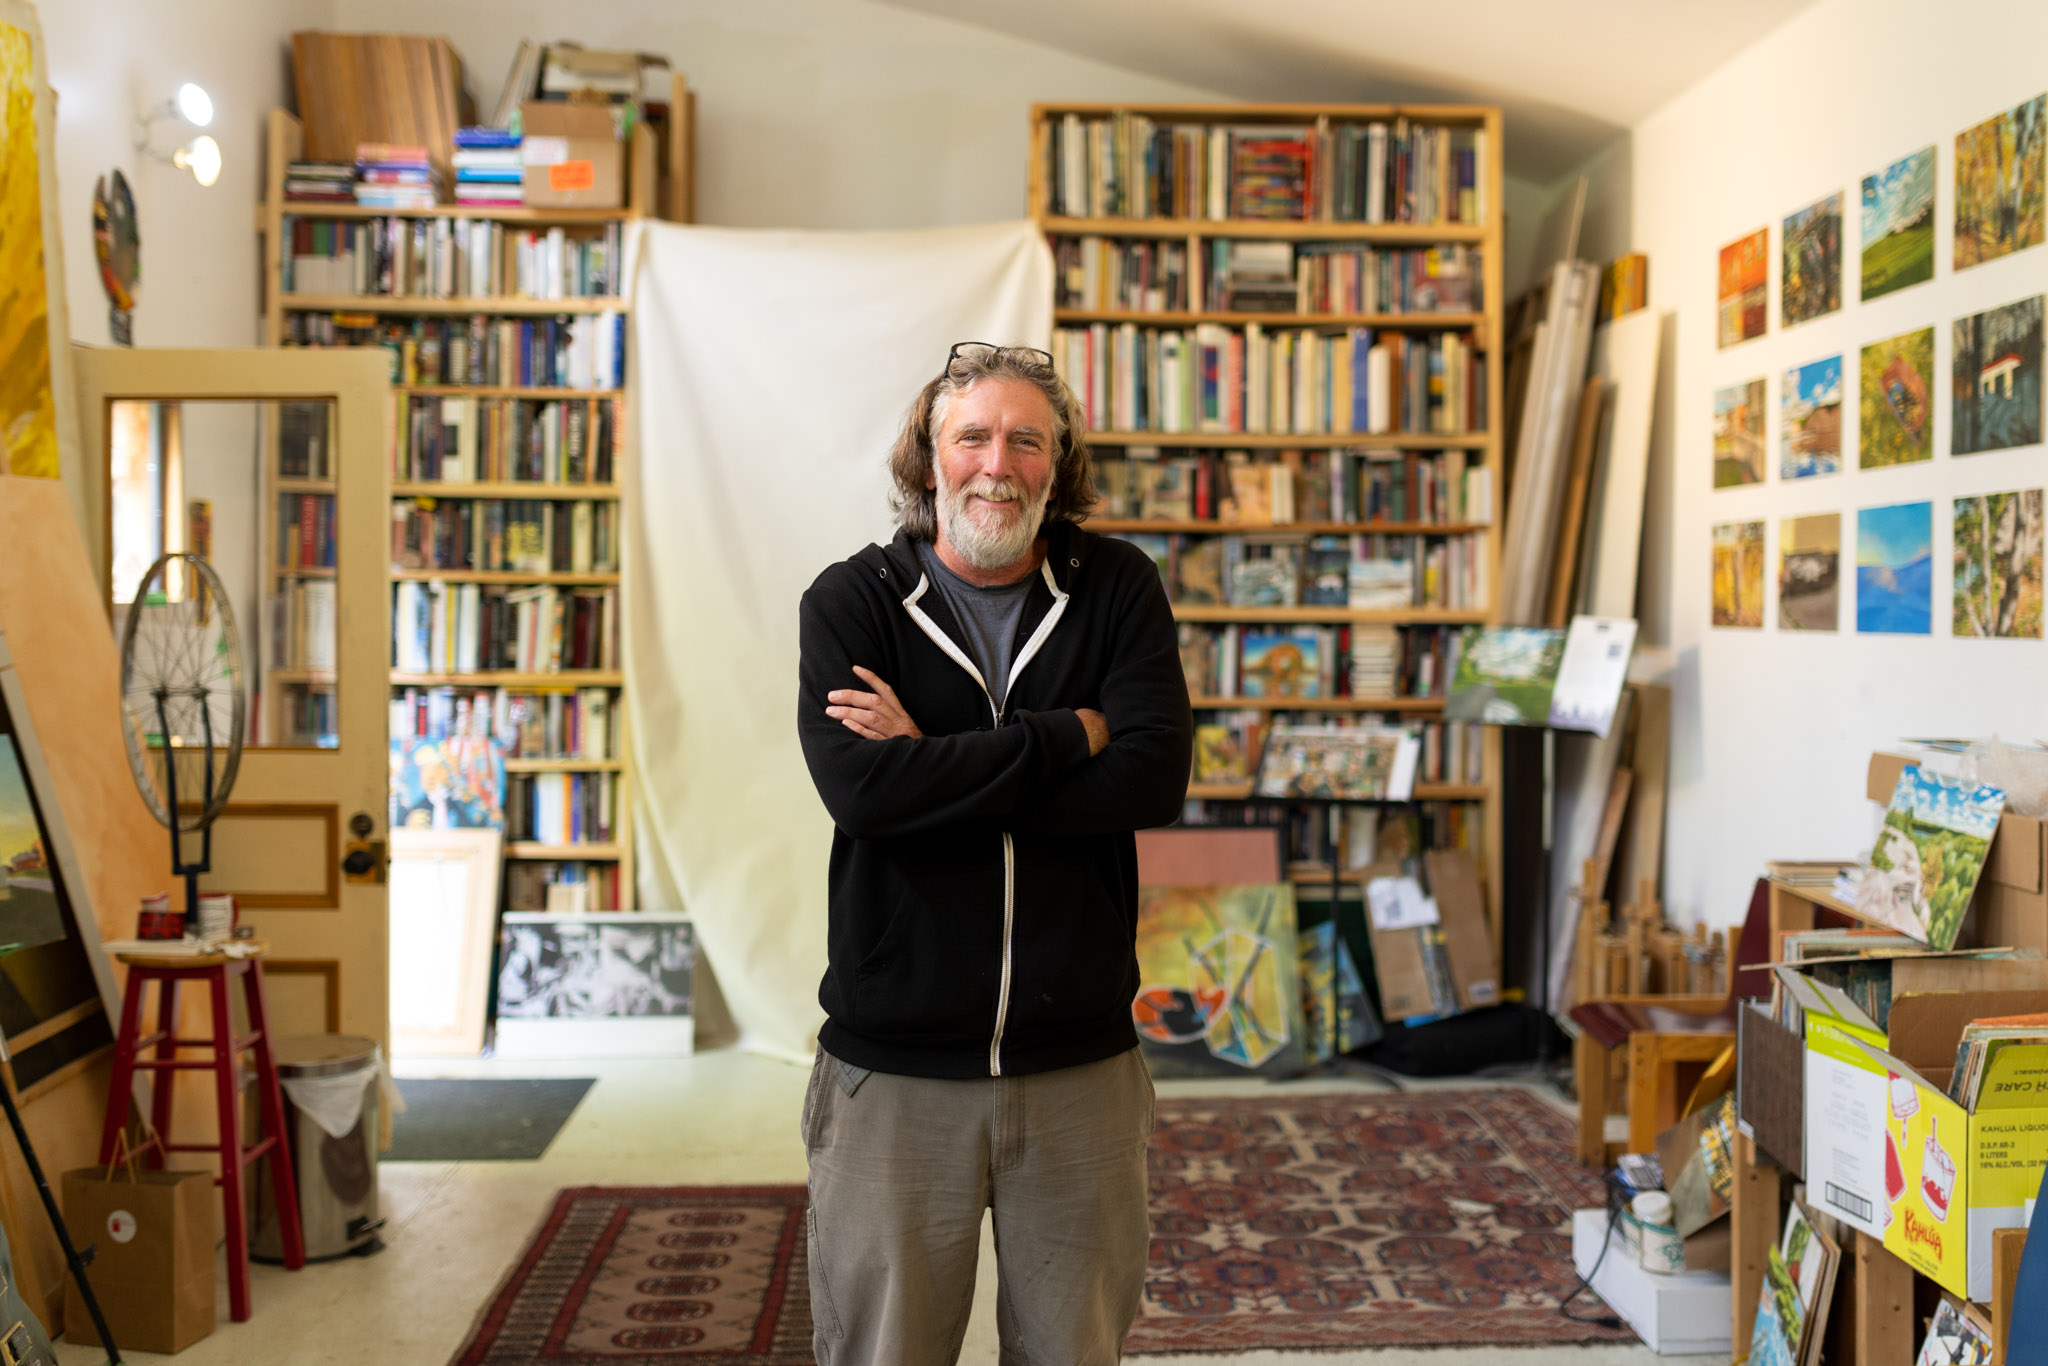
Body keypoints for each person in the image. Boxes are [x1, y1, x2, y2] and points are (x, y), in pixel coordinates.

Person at [796, 342, 1193, 1364]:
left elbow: (1151, 779)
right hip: (894, 1070)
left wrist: (933, 764)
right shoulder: (850, 603)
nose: (996, 462)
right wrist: (1068, 737)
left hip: (1080, 1066)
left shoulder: (1115, 586)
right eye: (969, 435)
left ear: (1058, 465)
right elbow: (864, 794)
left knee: (1073, 1352)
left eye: (1027, 439)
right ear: (925, 459)